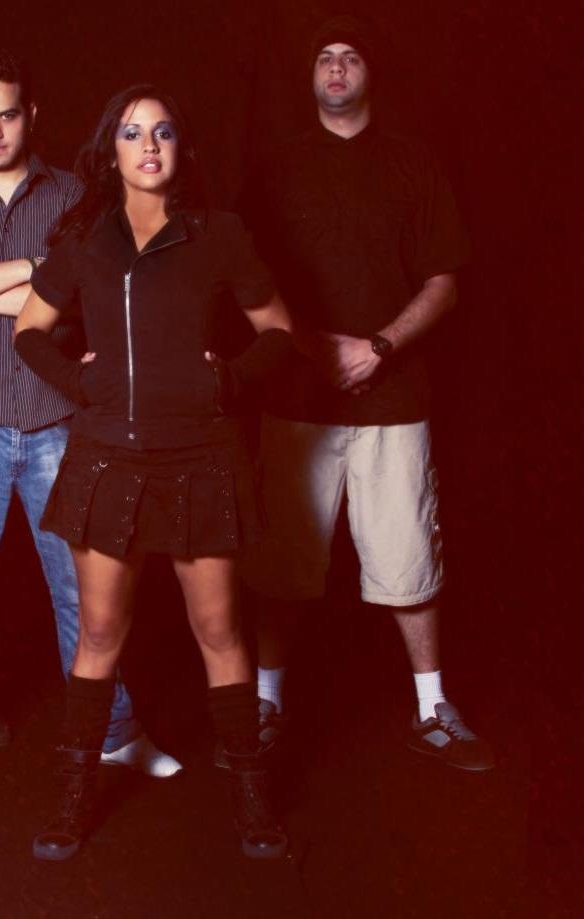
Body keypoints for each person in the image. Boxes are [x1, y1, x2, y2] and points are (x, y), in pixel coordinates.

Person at [15, 84, 294, 860]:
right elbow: (30, 330)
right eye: (133, 133)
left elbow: (278, 330)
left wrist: (226, 379)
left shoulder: (218, 234)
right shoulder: (83, 238)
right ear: (110, 150)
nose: (148, 146)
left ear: (180, 149)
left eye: (163, 133)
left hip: (199, 456)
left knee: (219, 630)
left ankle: (251, 800)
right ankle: (72, 801)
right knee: (99, 630)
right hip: (107, 455)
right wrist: (78, 382)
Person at [0, 51, 178, 795]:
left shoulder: (76, 193)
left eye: (8, 115)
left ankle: (113, 732)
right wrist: (32, 268)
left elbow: (92, 299)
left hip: (59, 426)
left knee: (84, 594)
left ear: (31, 115)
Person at [241, 16, 494, 771]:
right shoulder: (276, 168)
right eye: (325, 57)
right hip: (297, 399)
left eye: (350, 56)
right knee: (281, 562)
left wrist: (377, 346)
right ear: (310, 76)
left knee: (409, 557)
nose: (337, 67)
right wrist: (310, 347)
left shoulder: (411, 164)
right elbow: (244, 281)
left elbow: (445, 282)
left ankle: (431, 707)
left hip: (393, 398)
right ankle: (265, 702)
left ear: (368, 74)